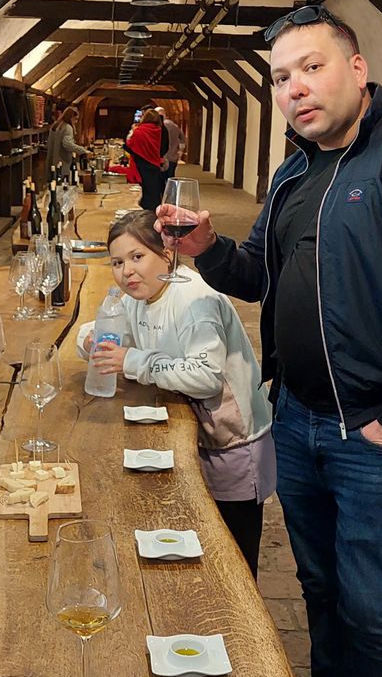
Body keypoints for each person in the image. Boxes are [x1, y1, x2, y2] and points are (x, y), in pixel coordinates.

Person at [160, 4, 382, 677]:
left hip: (372, 432)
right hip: (298, 421)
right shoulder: (292, 174)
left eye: (312, 67)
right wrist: (207, 247)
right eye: (281, 77)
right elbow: (258, 275)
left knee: (371, 606)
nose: (295, 87)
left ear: (357, 69)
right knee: (320, 588)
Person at [79, 211, 274, 573]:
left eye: (138, 257)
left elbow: (206, 377)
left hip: (231, 443)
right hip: (190, 435)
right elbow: (111, 328)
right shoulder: (139, 296)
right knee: (190, 540)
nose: (127, 272)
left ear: (167, 254)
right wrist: (89, 339)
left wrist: (133, 360)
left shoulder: (193, 300)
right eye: (117, 262)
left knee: (232, 557)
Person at [125, 109, 167, 211]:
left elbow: (131, 146)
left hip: (142, 165)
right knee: (153, 194)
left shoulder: (139, 131)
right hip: (155, 165)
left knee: (144, 193)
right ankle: (154, 214)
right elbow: (163, 147)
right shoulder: (158, 130)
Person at [48, 106, 88, 177]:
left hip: (53, 161)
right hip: (63, 161)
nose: (76, 122)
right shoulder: (67, 127)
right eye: (75, 119)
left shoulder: (55, 126)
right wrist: (83, 150)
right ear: (70, 117)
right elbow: (68, 145)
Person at [158, 108, 184, 179]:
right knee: (171, 177)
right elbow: (182, 138)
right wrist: (180, 151)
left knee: (161, 178)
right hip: (173, 156)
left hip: (162, 157)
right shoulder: (175, 126)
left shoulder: (160, 126)